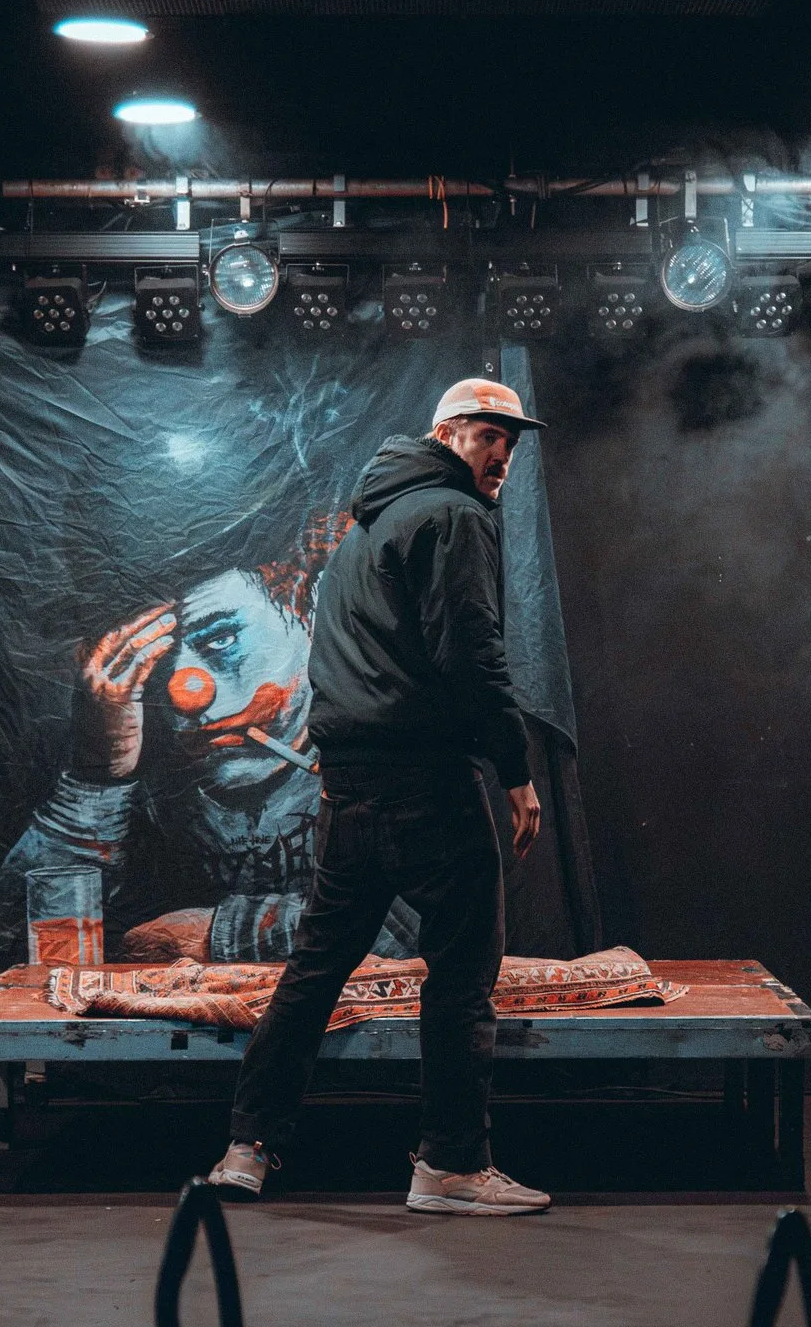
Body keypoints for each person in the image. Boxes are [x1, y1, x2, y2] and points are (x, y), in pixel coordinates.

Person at [206, 377, 552, 1215]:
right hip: (427, 781)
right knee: (464, 971)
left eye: (512, 435)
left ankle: (246, 1150)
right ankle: (450, 1165)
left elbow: (339, 662)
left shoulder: (363, 530)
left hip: (352, 789)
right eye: (486, 431)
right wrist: (514, 771)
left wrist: (339, 756)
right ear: (446, 433)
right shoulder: (456, 515)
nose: (504, 449)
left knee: (316, 968)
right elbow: (472, 657)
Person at [0, 520, 419, 964]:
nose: (186, 695)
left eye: (222, 639)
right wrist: (98, 777)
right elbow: (21, 936)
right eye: (154, 661)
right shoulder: (137, 763)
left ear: (308, 616)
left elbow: (425, 920)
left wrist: (218, 935)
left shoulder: (388, 738)